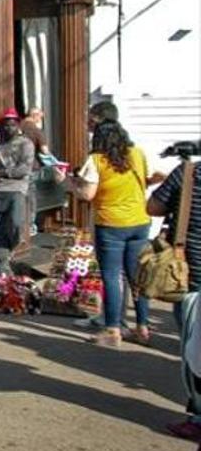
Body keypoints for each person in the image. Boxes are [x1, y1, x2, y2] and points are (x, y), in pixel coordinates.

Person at [54, 120, 158, 347]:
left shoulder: (97, 160)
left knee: (112, 277)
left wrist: (67, 183)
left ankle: (112, 329)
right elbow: (144, 180)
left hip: (111, 224)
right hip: (140, 221)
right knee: (137, 279)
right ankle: (142, 327)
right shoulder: (137, 153)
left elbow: (87, 194)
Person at [148, 152, 201, 440]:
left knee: (196, 356)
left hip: (193, 277)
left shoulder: (190, 173)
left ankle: (198, 417)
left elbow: (153, 206)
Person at [0, 108, 35, 276]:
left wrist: (4, 173)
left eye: (12, 125)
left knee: (15, 225)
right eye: (5, 125)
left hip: (16, 190)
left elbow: (24, 168)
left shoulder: (25, 143)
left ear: (18, 125)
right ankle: (0, 272)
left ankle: (13, 256)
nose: (8, 129)